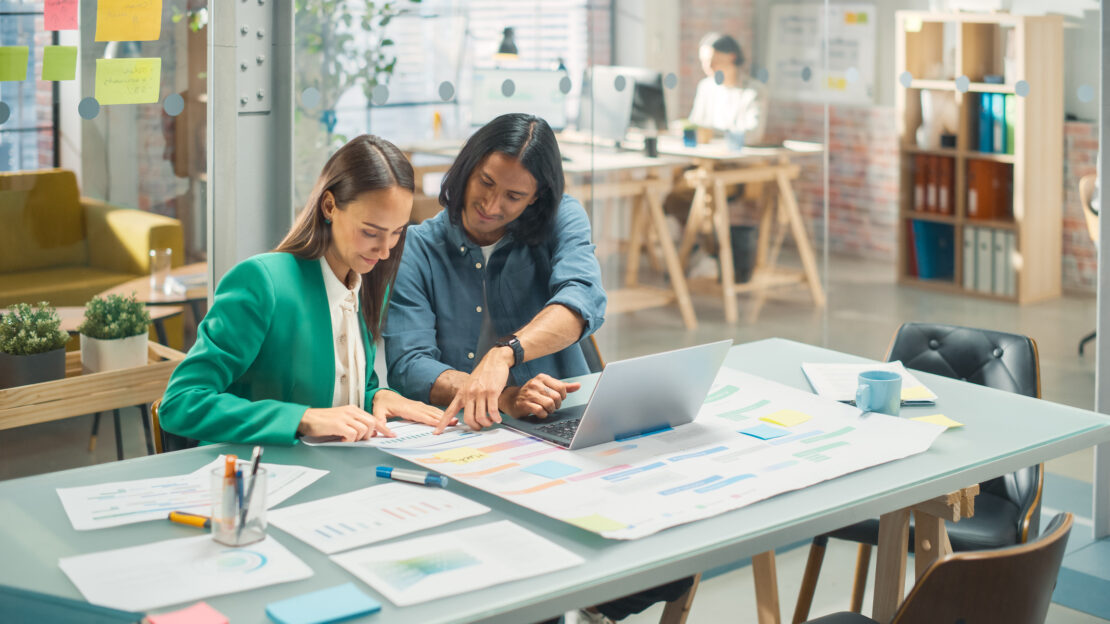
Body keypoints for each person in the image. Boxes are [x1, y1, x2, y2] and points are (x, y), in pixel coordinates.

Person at [383, 113, 691, 624]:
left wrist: (506, 354)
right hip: (468, 443)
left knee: (666, 557)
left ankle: (584, 598)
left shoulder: (562, 219)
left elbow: (582, 300)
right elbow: (409, 366)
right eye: (486, 183)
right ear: (466, 167)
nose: (491, 205)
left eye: (513, 197)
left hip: (559, 430)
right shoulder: (416, 247)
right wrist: (500, 395)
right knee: (518, 584)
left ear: (536, 199)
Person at [160, 135, 444, 445]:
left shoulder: (365, 281)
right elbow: (181, 402)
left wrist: (378, 396)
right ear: (329, 206)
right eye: (370, 232)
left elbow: (338, 389)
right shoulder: (262, 282)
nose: (385, 250)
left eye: (397, 232)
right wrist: (302, 418)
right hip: (259, 479)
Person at [689, 32, 767, 142]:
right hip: (707, 155)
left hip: (738, 156)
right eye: (704, 61)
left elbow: (753, 135)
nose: (708, 66)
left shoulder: (754, 91)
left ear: (732, 57)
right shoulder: (706, 87)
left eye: (713, 60)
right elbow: (695, 124)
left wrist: (712, 132)